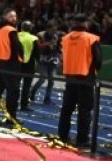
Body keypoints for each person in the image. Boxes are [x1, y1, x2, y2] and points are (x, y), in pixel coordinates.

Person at [57, 14, 101, 148]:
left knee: (67, 109)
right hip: (85, 79)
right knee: (84, 111)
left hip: (69, 78)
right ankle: (82, 140)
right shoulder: (92, 38)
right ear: (86, 23)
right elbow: (98, 61)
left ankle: (62, 136)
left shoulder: (64, 38)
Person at [0, 9, 23, 125]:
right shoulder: (11, 30)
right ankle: (11, 118)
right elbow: (17, 46)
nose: (14, 18)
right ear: (5, 17)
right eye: (11, 16)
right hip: (10, 64)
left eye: (15, 16)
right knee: (13, 92)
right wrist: (22, 56)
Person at [30, 20, 61, 105]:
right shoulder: (40, 35)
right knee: (42, 79)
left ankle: (47, 98)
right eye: (52, 30)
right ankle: (32, 93)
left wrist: (59, 55)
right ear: (48, 29)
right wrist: (48, 43)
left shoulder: (57, 35)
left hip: (53, 60)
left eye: (55, 30)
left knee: (51, 81)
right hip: (42, 60)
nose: (54, 32)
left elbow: (58, 47)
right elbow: (38, 47)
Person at [18, 20, 40, 112]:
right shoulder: (33, 38)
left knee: (13, 85)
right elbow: (37, 53)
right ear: (30, 28)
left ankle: (11, 103)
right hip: (29, 65)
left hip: (16, 64)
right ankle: (24, 105)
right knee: (26, 86)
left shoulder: (15, 35)